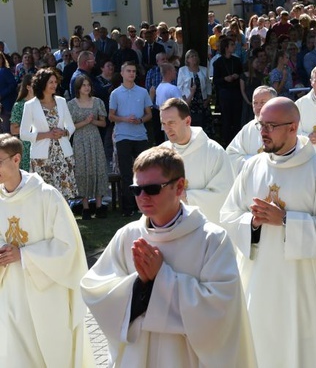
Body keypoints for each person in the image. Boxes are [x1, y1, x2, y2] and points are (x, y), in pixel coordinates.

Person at [221, 97, 316, 367]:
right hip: (262, 280)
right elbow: (228, 214)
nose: (263, 132)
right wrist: (252, 224)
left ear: (293, 127)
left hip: (307, 285)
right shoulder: (252, 167)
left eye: (271, 126)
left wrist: (287, 220)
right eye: (260, 125)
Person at [81, 147, 253, 366]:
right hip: (138, 355)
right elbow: (95, 290)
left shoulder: (212, 239)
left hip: (186, 358)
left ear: (179, 186)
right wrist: (139, 284)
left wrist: (161, 277)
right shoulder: (127, 236)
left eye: (152, 189)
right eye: (136, 189)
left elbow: (221, 308)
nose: (142, 197)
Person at [0, 134, 94, 367]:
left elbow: (68, 246)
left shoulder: (46, 196)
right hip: (12, 288)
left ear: (16, 159)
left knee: (52, 349)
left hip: (46, 288)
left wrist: (25, 255)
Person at [159, 98, 233, 224]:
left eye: (171, 123)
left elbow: (224, 194)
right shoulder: (161, 153)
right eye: (163, 123)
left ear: (187, 121)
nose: (167, 129)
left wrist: (187, 197)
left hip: (204, 230)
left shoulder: (213, 152)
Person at [19, 68, 78, 199]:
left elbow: (71, 126)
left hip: (62, 154)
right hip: (41, 158)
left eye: (55, 82)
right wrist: (47, 134)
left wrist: (63, 132)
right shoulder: (30, 105)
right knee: (43, 195)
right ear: (42, 83)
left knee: (63, 195)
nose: (54, 85)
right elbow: (23, 133)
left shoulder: (61, 101)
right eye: (50, 82)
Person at [110, 61, 152, 217]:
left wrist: (140, 120)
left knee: (144, 171)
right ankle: (128, 207)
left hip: (140, 136)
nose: (132, 74)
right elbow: (111, 115)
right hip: (123, 137)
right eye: (128, 71)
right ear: (122, 73)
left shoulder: (142, 92)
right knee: (126, 173)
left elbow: (149, 114)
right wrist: (125, 119)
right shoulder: (115, 93)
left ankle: (144, 205)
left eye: (134, 71)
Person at [68, 75, 109, 219]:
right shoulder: (71, 104)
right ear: (78, 88)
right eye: (84, 85)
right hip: (79, 140)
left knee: (97, 168)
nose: (87, 87)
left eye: (88, 85)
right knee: (82, 169)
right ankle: (85, 207)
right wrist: (85, 121)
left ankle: (99, 205)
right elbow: (70, 127)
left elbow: (103, 123)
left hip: (94, 138)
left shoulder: (97, 102)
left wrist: (93, 122)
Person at [226, 86, 276, 174]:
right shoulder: (248, 129)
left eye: (262, 102)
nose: (258, 106)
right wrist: (254, 161)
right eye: (255, 103)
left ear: (274, 103)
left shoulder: (283, 126)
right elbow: (231, 155)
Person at [213, 37, 243, 145]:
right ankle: (227, 142)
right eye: (232, 45)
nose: (234, 46)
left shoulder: (237, 61)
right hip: (225, 93)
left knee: (236, 118)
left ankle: (238, 141)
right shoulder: (218, 62)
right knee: (226, 118)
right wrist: (225, 79)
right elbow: (216, 80)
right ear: (226, 47)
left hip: (236, 92)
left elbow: (242, 74)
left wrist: (237, 76)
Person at [176, 49, 212, 130]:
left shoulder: (204, 69)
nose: (194, 58)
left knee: (203, 124)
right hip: (189, 101)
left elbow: (208, 84)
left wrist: (208, 99)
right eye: (192, 56)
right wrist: (185, 100)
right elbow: (179, 87)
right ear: (187, 59)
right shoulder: (182, 70)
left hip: (202, 101)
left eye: (195, 56)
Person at [9, 74, 33, 171]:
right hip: (26, 148)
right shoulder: (19, 105)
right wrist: (33, 128)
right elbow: (13, 129)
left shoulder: (42, 104)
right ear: (28, 87)